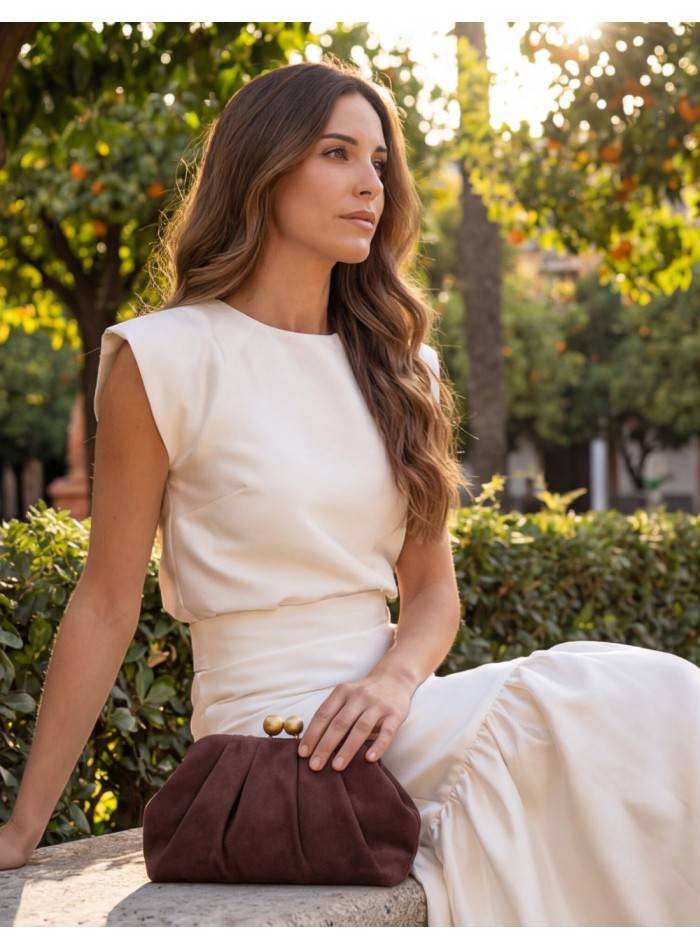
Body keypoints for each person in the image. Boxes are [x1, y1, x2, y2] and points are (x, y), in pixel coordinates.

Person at [1, 58, 699, 927]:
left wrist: (394, 683)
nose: (371, 183)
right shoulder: (164, 357)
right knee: (624, 703)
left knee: (654, 705)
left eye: (379, 161)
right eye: (337, 153)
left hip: (395, 713)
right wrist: (23, 828)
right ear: (263, 168)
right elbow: (106, 602)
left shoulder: (404, 368)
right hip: (271, 731)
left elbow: (432, 592)